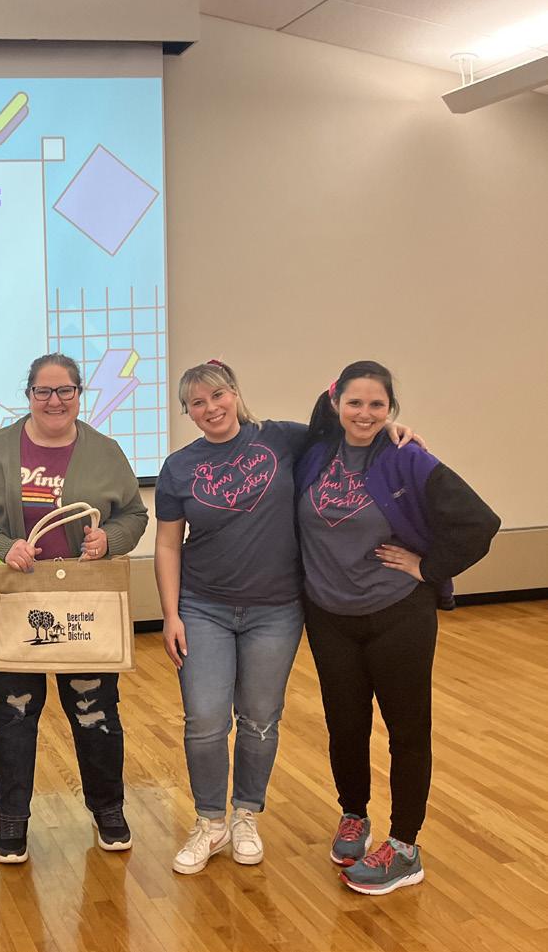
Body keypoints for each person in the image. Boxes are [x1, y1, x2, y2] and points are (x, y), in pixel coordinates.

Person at [154, 360, 424, 877]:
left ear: (235, 394)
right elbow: (168, 544)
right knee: (205, 721)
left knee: (260, 719)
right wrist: (170, 614)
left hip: (276, 610)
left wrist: (391, 428)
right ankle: (210, 822)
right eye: (197, 403)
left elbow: (351, 432)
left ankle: (245, 816)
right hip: (203, 607)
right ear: (187, 412)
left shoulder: (282, 438)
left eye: (218, 395)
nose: (211, 408)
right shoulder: (178, 467)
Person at [295, 360, 499, 895]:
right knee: (345, 725)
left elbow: (481, 522)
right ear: (336, 403)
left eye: (377, 405)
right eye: (354, 402)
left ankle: (405, 846)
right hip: (329, 616)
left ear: (391, 409)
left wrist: (428, 568)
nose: (364, 414)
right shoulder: (315, 453)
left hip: (398, 614)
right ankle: (354, 816)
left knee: (406, 732)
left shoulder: (407, 457)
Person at [0, 353, 148, 862]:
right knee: (13, 713)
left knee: (94, 709)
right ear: (29, 395)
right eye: (44, 391)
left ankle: (108, 810)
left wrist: (110, 539)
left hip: (84, 606)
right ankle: (12, 820)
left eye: (65, 391)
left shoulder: (105, 452)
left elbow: (134, 514)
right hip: (15, 604)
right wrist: (2, 545)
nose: (55, 401)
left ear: (79, 394)